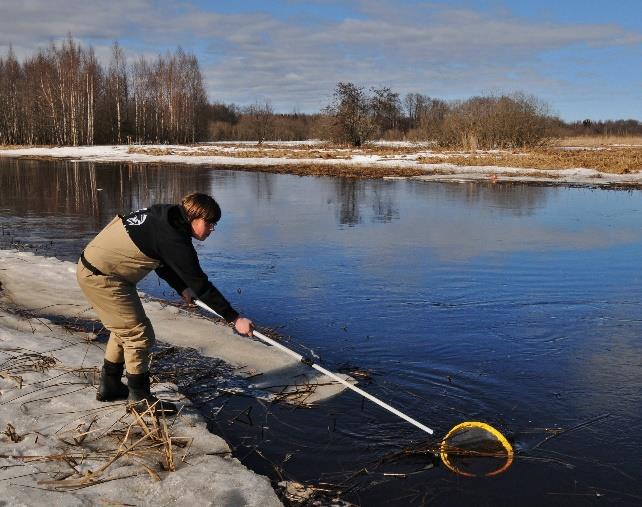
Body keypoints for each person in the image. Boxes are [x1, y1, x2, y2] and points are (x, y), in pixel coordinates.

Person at [76, 193, 253, 414]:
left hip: (104, 271)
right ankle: (139, 399)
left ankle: (110, 385)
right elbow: (200, 283)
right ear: (194, 217)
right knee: (138, 333)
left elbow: (160, 261)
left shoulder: (166, 217)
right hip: (103, 276)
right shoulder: (174, 238)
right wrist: (234, 318)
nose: (212, 229)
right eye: (209, 223)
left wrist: (181, 288)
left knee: (125, 327)